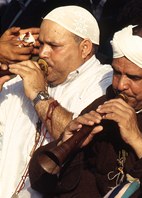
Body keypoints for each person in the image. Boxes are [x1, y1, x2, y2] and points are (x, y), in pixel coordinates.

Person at [28, 24, 142, 197]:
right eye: (116, 72)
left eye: (134, 77)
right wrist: (67, 144)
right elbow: (47, 182)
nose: (120, 85)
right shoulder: (107, 101)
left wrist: (136, 138)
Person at [0, 5, 113, 198]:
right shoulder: (23, 79)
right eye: (42, 44)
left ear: (84, 48)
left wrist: (38, 94)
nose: (43, 53)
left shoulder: (105, 82)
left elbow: (77, 138)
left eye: (54, 46)